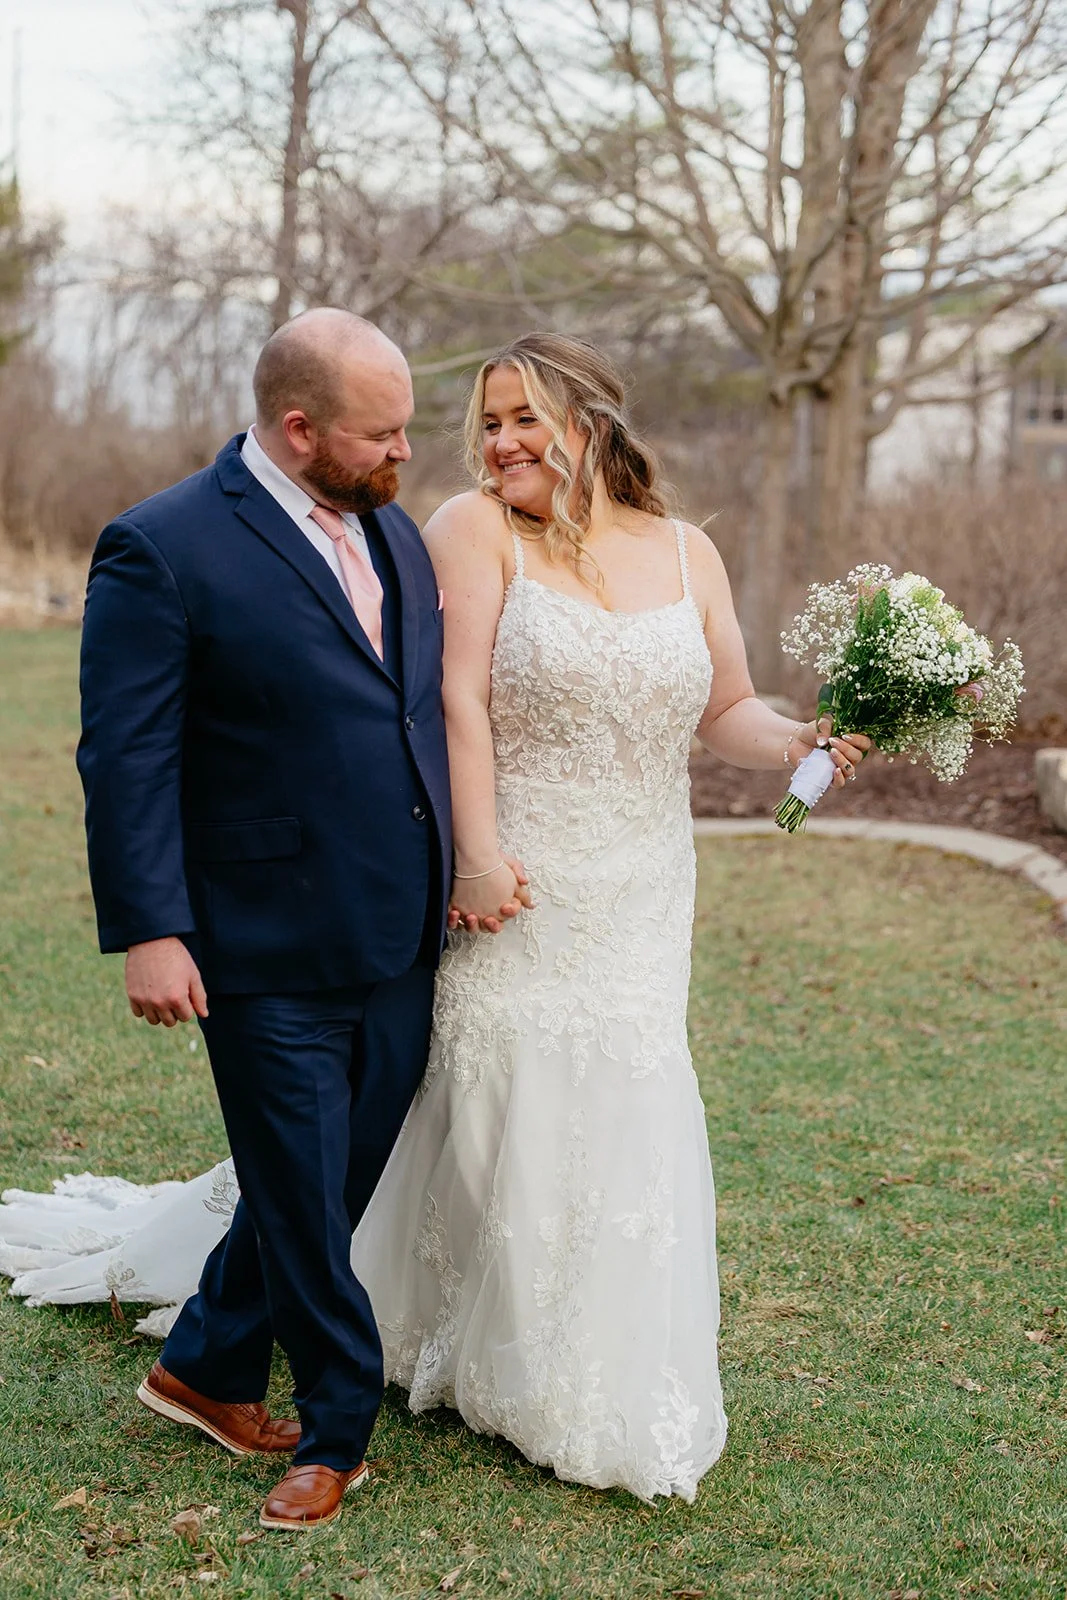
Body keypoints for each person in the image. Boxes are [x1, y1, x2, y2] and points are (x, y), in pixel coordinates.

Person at [0, 331, 870, 1506]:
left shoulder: (667, 549)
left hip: (629, 881)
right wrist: (473, 853)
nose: (490, 443)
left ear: (591, 421)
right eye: (485, 421)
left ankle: (324, 1351)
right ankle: (367, 1397)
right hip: (479, 876)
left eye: (521, 419)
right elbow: (433, 704)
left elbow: (724, 708)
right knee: (418, 1122)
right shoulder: (428, 530)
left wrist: (801, 742)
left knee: (553, 1108)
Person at [29, 308, 515, 1534]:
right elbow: (126, 756)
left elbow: (405, 718)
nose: (407, 451)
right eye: (382, 432)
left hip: (397, 924)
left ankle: (202, 1363)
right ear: (299, 430)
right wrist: (151, 927)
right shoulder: (161, 545)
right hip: (253, 937)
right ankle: (338, 1423)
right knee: (298, 1183)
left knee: (331, 1174)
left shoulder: (395, 532)